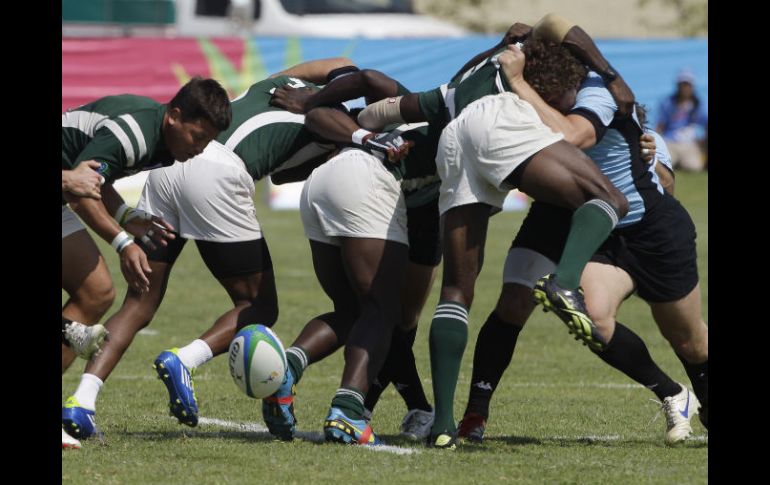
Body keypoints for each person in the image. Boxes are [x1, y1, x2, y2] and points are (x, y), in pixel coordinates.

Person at [61, 59, 409, 441]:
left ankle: (83, 400)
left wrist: (127, 218)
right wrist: (344, 128)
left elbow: (334, 76)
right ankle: (185, 359)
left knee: (139, 299)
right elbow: (83, 186)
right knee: (259, 304)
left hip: (173, 168)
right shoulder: (330, 116)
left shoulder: (275, 86)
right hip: (219, 171)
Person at [351, 22, 633, 449]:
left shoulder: (463, 79)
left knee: (457, 291)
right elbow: (557, 23)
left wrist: (361, 125)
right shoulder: (518, 66)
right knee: (609, 199)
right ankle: (564, 282)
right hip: (499, 123)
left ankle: (444, 425)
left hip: (455, 138)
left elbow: (382, 111)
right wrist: (612, 77)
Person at [456, 39, 708, 446]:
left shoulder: (599, 93)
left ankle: (696, 395)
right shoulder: (527, 88)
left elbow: (578, 138)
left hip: (649, 232)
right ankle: (672, 393)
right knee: (580, 314)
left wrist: (520, 82)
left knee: (689, 340)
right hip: (580, 222)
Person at [61, 76, 232, 446]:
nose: (201, 149)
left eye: (208, 141)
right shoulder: (135, 132)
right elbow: (80, 190)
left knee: (96, 293)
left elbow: (90, 180)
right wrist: (123, 243)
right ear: (173, 116)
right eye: (198, 136)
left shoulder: (164, 142)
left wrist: (124, 214)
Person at [655, 69, 708, 172]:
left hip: (689, 144)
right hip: (670, 142)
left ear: (692, 86)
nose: (685, 88)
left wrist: (702, 143)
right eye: (682, 84)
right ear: (677, 86)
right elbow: (660, 125)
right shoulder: (667, 103)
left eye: (687, 85)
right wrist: (657, 143)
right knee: (664, 164)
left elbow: (705, 124)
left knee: (694, 167)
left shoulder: (697, 104)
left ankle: (682, 162)